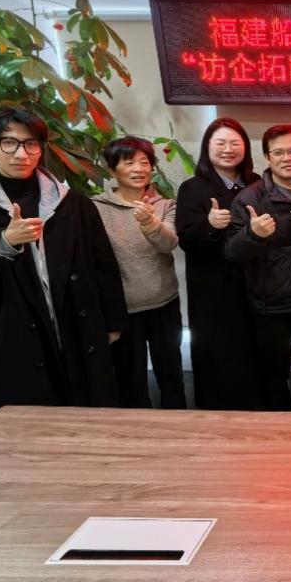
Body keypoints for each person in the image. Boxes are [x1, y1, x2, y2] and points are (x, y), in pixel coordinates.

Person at [0, 105, 126, 417]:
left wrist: (113, 323)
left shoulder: (73, 203)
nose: (21, 154)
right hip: (16, 335)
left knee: (90, 419)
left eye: (30, 144)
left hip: (78, 328)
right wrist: (5, 241)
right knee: (30, 425)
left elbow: (104, 264)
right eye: (9, 143)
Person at [224, 123, 291, 412]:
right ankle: (278, 435)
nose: (287, 158)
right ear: (267, 157)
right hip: (271, 307)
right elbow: (232, 253)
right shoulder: (250, 199)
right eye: (278, 152)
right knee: (273, 380)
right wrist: (253, 235)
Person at [93, 137, 185, 409]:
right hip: (122, 310)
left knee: (171, 373)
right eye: (129, 162)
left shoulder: (165, 205)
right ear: (111, 169)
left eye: (144, 162)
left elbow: (168, 243)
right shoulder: (95, 208)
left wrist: (150, 225)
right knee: (129, 379)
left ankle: (178, 423)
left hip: (164, 303)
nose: (138, 169)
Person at [176, 118, 261, 410]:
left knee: (255, 361)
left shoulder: (257, 183)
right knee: (217, 362)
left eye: (235, 143)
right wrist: (209, 225)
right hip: (213, 293)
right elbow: (186, 239)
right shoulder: (192, 188)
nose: (228, 149)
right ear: (207, 148)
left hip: (255, 287)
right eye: (220, 143)